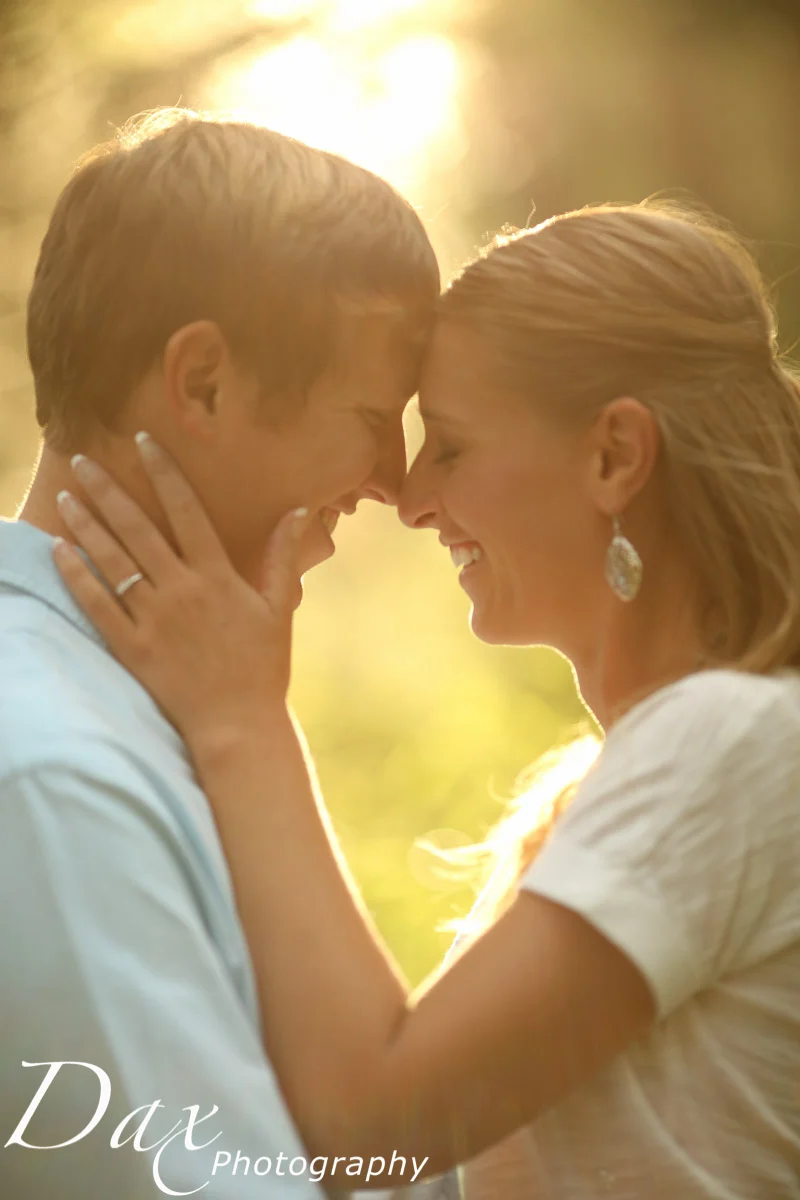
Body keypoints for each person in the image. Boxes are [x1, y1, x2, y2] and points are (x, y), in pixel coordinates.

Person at [55, 200, 800, 1199]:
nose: (409, 501)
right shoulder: (675, 757)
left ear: (613, 457)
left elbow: (377, 1128)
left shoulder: (730, 744)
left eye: (447, 444)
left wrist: (242, 721)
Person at [0, 106, 441, 1197]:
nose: (393, 482)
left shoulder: (159, 700)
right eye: (372, 415)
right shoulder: (55, 781)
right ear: (201, 383)